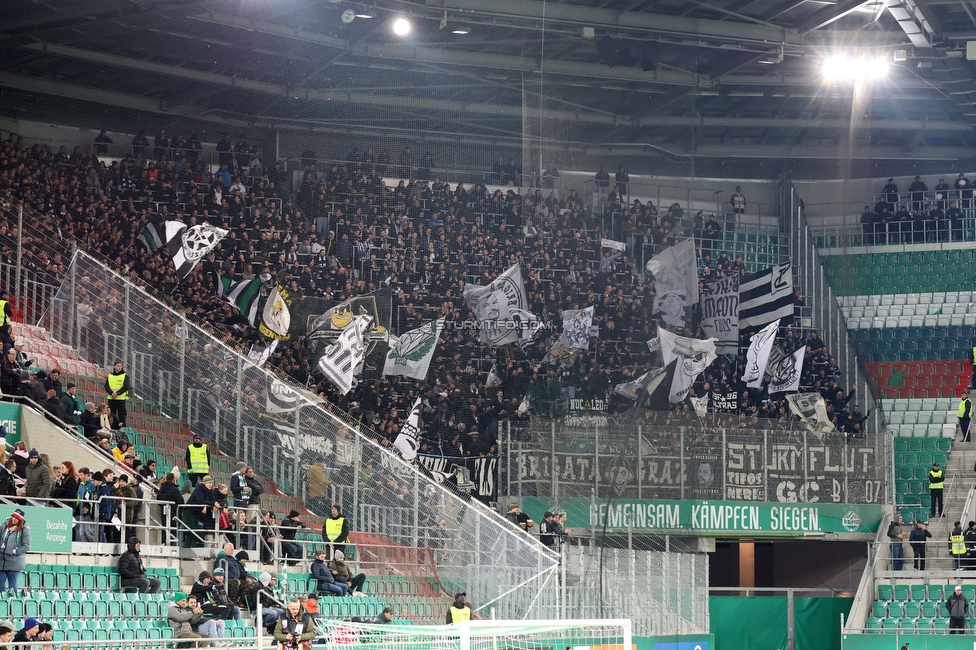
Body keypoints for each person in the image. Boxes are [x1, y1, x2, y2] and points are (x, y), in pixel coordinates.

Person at [0, 509, 29, 594]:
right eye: (13, 517)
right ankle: (2, 602)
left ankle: (12, 602)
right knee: (0, 583)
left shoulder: (25, 529)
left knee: (12, 584)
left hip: (15, 562)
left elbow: (26, 546)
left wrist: (15, 552)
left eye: (16, 518)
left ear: (20, 520)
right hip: (2, 561)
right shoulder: (4, 525)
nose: (13, 519)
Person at [104, 361, 131, 429]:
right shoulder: (109, 376)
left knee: (122, 415)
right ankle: (112, 427)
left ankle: (122, 429)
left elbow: (126, 386)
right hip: (111, 399)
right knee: (111, 415)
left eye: (120, 366)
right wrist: (111, 393)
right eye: (118, 366)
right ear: (114, 367)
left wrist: (117, 393)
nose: (119, 367)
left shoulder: (125, 376)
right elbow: (106, 386)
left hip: (121, 399)